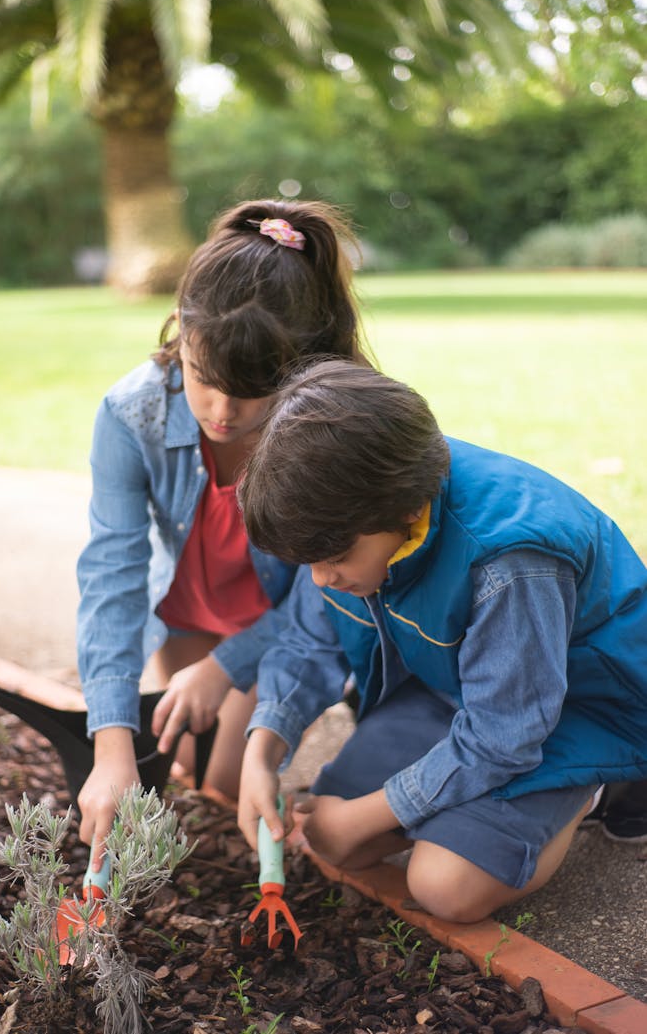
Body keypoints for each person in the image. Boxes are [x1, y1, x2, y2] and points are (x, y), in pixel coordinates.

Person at [236, 359, 647, 923]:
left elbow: (505, 735)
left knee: (444, 886)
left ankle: (590, 787)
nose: (320, 579)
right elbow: (310, 640)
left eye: (333, 560)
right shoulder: (353, 503)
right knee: (335, 841)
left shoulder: (511, 562)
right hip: (453, 686)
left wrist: (365, 814)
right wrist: (262, 754)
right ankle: (473, 812)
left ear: (405, 513)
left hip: (574, 709)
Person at [76, 201, 368, 870]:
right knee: (183, 765)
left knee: (230, 781)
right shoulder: (131, 412)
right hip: (190, 612)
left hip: (283, 619)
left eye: (253, 390)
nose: (222, 410)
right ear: (183, 331)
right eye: (204, 379)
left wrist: (229, 665)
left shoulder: (331, 424)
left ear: (300, 363)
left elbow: (332, 584)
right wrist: (110, 746)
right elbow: (110, 576)